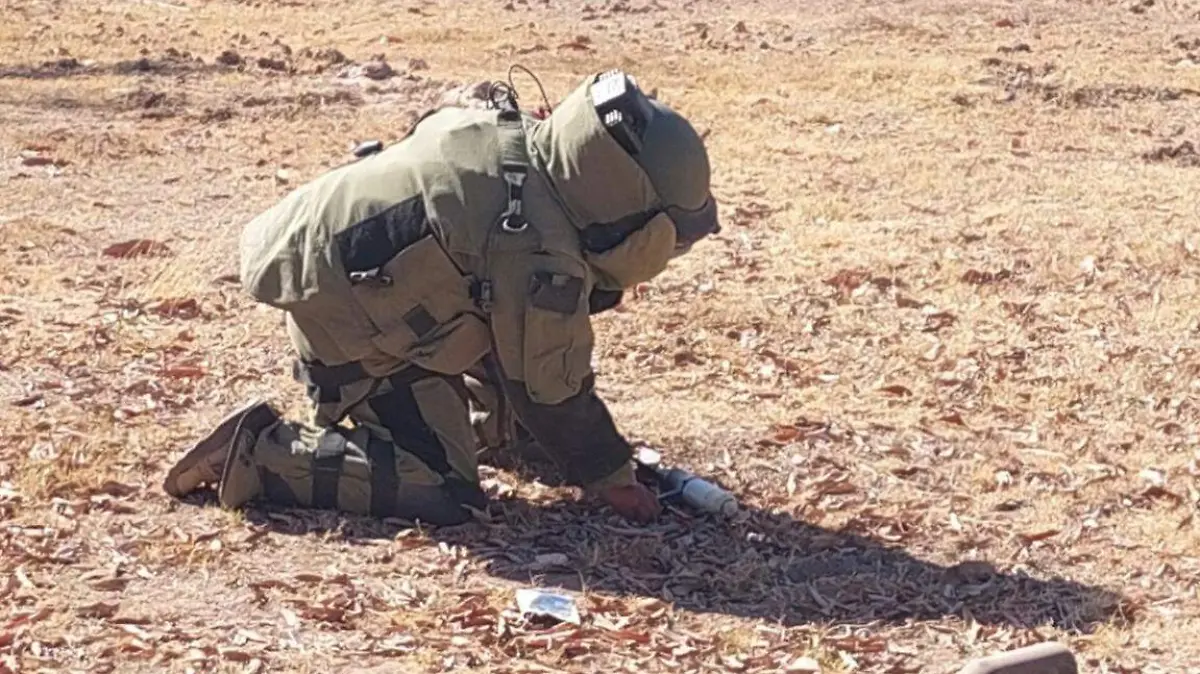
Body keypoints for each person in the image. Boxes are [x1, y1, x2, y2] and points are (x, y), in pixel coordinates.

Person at [162, 69, 720, 526]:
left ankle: (480, 429)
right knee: (445, 490)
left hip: (346, 274)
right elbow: (551, 386)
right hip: (346, 326)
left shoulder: (518, 142)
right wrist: (613, 479)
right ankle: (261, 452)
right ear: (630, 216)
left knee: (517, 407)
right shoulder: (537, 252)